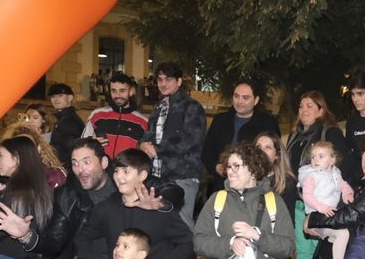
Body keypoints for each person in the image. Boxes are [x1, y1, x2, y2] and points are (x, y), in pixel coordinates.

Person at [287, 91, 357, 259]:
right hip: (301, 202)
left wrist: (339, 193)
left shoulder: (330, 133)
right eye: (301, 106)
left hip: (325, 206)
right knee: (303, 251)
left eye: (310, 106)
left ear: (321, 110)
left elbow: (346, 166)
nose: (303, 110)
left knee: (321, 252)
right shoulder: (295, 136)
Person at [142, 62, 207, 227]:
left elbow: (191, 139)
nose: (163, 84)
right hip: (157, 176)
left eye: (168, 79)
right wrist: (142, 144)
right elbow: (148, 134)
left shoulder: (191, 106)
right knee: (158, 225)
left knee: (181, 226)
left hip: (182, 176)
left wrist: (157, 148)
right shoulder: (159, 107)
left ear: (179, 81)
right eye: (160, 79)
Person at [202, 80, 281, 184]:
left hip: (256, 184)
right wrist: (217, 167)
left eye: (245, 98)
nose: (239, 101)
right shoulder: (220, 120)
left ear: (256, 100)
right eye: (236, 96)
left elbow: (275, 154)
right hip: (221, 183)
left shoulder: (267, 123)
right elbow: (207, 151)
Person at [298, 139, 355, 259]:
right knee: (343, 233)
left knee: (341, 236)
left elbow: (343, 185)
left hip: (327, 215)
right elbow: (307, 196)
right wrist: (321, 207)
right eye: (313, 157)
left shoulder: (336, 172)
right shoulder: (311, 176)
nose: (315, 160)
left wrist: (347, 193)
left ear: (332, 160)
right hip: (316, 215)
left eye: (321, 156)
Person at [83, 72, 148, 160]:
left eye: (122, 91)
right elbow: (82, 143)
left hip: (126, 172)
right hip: (101, 171)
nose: (117, 95)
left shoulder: (143, 122)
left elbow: (145, 154)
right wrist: (91, 143)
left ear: (131, 91)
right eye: (113, 91)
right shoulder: (97, 115)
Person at [47, 83, 84, 160]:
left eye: (60, 95)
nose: (56, 99)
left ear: (70, 98)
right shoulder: (63, 118)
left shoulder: (70, 120)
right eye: (53, 96)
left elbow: (71, 147)